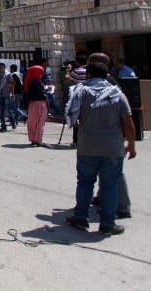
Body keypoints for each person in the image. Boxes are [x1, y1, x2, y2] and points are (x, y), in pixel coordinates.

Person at [64, 61, 136, 235]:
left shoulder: (79, 92)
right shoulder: (117, 93)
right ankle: (107, 224)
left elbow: (71, 117)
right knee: (110, 186)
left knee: (85, 184)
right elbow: (128, 121)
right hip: (113, 148)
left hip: (87, 146)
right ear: (106, 75)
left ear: (88, 74)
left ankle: (81, 218)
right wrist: (131, 145)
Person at [24, 65, 49, 147]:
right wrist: (46, 91)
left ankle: (33, 139)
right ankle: (38, 140)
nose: (41, 74)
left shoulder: (30, 81)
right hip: (40, 103)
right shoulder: (36, 81)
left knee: (32, 122)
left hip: (32, 104)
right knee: (40, 122)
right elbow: (40, 93)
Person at [0, 62, 15, 131]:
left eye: (1, 67)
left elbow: (12, 85)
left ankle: (13, 122)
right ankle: (3, 126)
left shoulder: (8, 75)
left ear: (4, 68)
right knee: (0, 111)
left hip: (6, 94)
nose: (0, 69)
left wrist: (13, 94)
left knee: (8, 110)